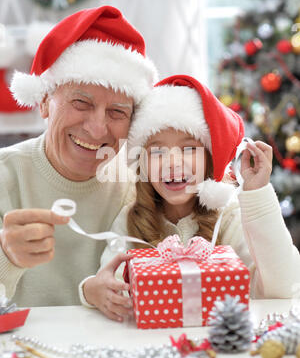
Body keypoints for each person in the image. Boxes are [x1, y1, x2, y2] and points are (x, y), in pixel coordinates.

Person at [79, 74, 300, 322]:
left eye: (189, 148)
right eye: (157, 151)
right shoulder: (131, 219)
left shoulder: (229, 216)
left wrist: (258, 193)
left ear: (208, 159)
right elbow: (111, 286)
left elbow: (284, 288)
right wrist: (90, 290)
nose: (173, 162)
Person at [0, 5, 158, 307]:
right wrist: (5, 257)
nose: (98, 130)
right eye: (81, 103)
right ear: (45, 102)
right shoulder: (4, 176)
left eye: (116, 112)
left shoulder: (141, 193)